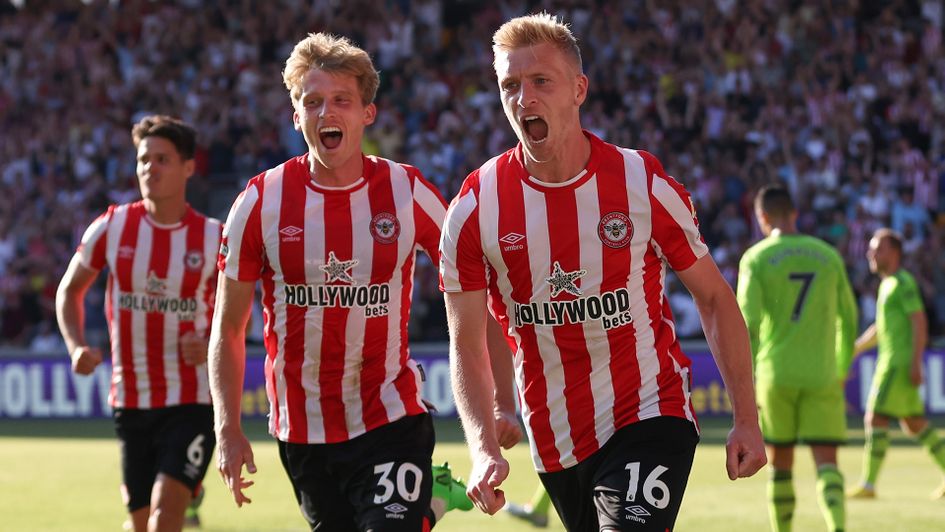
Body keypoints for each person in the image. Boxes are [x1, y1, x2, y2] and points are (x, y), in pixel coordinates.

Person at [439, 13, 766, 531]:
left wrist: (746, 418)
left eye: (540, 81)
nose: (524, 98)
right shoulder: (475, 207)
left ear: (578, 89)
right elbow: (467, 339)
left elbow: (714, 299)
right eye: (510, 85)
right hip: (556, 439)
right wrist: (482, 445)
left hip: (649, 412)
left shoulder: (641, 182)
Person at [208, 32, 505, 531]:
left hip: (391, 416)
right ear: (295, 116)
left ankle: (420, 507)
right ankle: (433, 503)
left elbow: (478, 281)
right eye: (313, 102)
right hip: (302, 432)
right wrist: (227, 426)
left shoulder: (406, 191)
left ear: (367, 113)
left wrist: (499, 402)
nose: (328, 113)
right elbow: (228, 327)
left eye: (342, 100)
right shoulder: (260, 202)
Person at [55, 115, 219, 531]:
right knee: (142, 523)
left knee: (165, 516)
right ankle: (188, 498)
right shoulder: (112, 227)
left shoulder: (214, 238)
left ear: (188, 167)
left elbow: (240, 311)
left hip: (191, 399)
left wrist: (212, 339)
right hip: (130, 400)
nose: (150, 168)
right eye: (144, 159)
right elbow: (69, 290)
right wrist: (75, 345)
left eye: (163, 159)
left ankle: (187, 494)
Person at [736, 184, 857, 532]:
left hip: (776, 374)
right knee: (827, 463)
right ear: (795, 214)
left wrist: (749, 377)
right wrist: (841, 367)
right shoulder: (828, 255)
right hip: (822, 373)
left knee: (780, 463)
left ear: (762, 217)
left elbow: (749, 323)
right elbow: (848, 320)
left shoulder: (756, 258)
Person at [847, 228, 945, 500]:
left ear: (895, 253)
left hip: (897, 365)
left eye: (878, 248)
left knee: (875, 417)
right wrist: (856, 348)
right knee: (915, 424)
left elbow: (919, 321)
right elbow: (881, 327)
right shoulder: (888, 284)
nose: (871, 253)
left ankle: (868, 485)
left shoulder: (902, 283)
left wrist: (915, 363)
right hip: (896, 362)